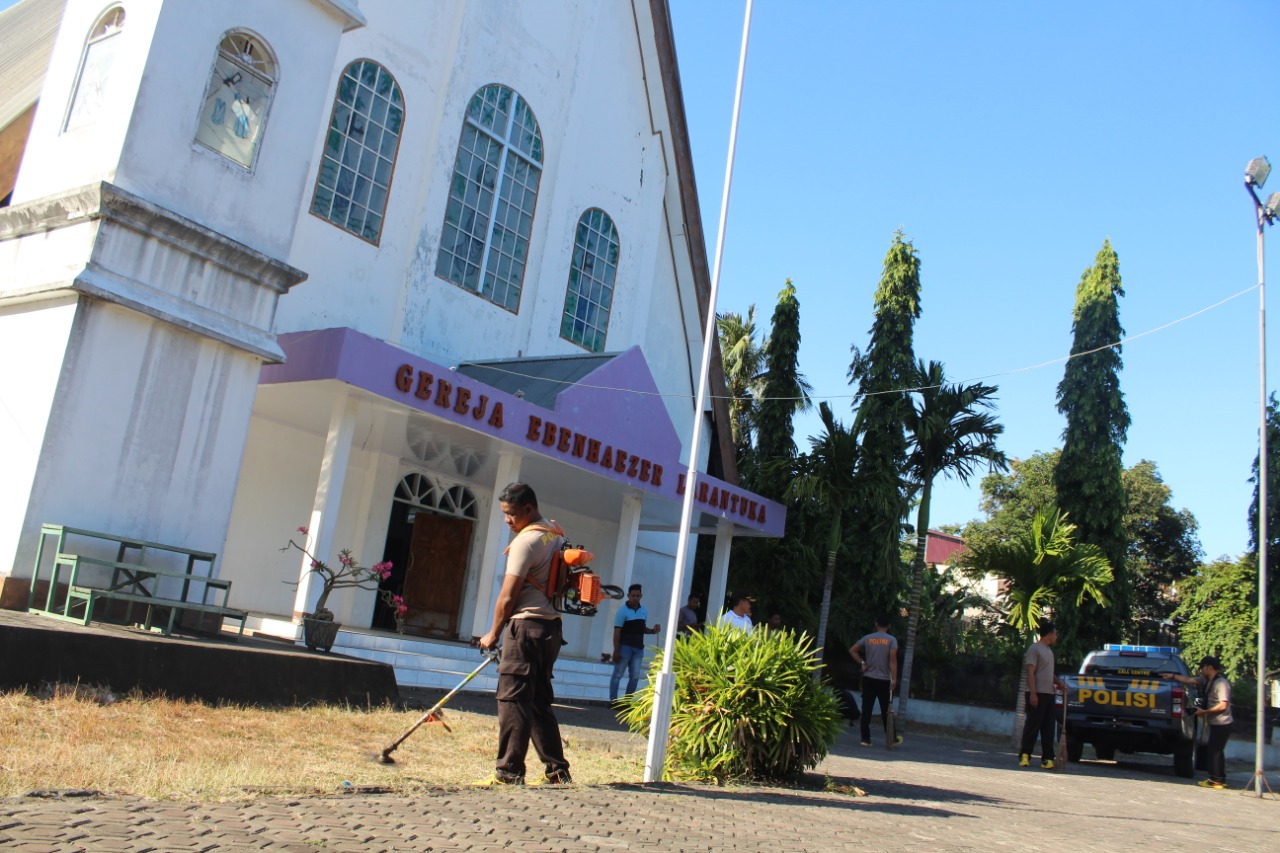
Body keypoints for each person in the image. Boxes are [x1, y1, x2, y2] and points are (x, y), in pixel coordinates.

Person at [477, 483, 572, 785]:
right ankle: (557, 771)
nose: (507, 520)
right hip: (551, 629)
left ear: (528, 509)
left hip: (526, 628)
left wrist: (493, 633)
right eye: (504, 513)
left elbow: (507, 597)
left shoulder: (525, 543)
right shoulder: (554, 533)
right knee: (538, 701)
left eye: (512, 514)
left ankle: (509, 772)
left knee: (513, 699)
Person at [1165, 655, 1233, 789]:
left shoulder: (1221, 683)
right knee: (1214, 750)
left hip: (1222, 722)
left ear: (1209, 667)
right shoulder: (1206, 680)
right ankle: (1217, 778)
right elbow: (1189, 680)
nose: (1200, 670)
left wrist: (1204, 712)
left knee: (1215, 751)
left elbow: (1223, 705)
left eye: (1202, 667)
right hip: (1214, 722)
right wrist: (1172, 676)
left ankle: (1217, 780)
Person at [1018, 621, 1065, 769]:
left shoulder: (1049, 652)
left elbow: (1049, 674)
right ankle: (1025, 755)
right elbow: (1030, 672)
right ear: (1050, 633)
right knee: (1032, 725)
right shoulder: (1034, 649)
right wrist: (1032, 693)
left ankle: (1047, 758)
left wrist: (1060, 683)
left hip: (1049, 694)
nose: (1056, 636)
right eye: (1055, 633)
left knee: (1048, 728)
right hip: (1036, 693)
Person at [849, 614, 900, 747]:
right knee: (886, 710)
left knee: (866, 709)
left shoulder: (868, 638)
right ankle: (891, 739)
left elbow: (852, 650)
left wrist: (862, 663)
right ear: (888, 626)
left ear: (876, 623)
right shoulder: (892, 640)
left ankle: (865, 739)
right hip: (884, 680)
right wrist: (894, 679)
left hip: (868, 678)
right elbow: (893, 661)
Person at [609, 584, 660, 702]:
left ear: (641, 596)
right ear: (628, 595)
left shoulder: (644, 610)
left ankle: (627, 701)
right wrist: (616, 650)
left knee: (635, 676)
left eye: (637, 596)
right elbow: (617, 631)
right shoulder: (622, 611)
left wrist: (652, 631)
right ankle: (613, 700)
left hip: (638, 648)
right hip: (625, 647)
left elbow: (642, 628)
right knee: (618, 674)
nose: (635, 598)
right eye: (633, 596)